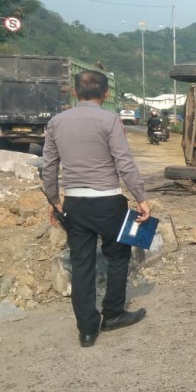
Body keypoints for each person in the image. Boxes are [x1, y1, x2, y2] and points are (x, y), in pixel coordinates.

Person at [42, 70, 151, 347]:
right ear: (106, 94)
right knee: (118, 256)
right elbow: (124, 162)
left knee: (81, 264)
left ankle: (87, 331)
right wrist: (141, 198)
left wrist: (55, 203)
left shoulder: (56, 122)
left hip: (75, 204)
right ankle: (113, 314)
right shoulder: (110, 120)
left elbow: (49, 168)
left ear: (75, 93)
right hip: (108, 202)